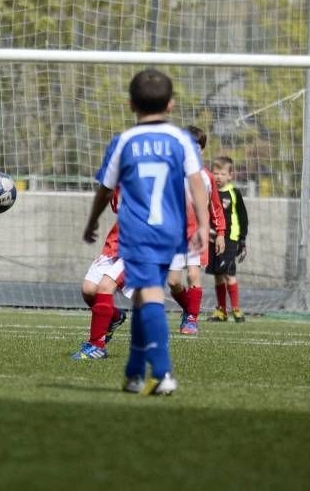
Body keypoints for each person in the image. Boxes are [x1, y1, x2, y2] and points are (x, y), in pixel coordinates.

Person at [83, 68, 209, 396]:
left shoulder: (123, 141)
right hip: (171, 231)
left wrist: (92, 221)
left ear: (130, 104)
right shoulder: (183, 140)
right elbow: (197, 184)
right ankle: (135, 373)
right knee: (142, 298)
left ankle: (162, 373)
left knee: (149, 295)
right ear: (171, 104)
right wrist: (205, 224)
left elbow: (105, 190)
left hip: (137, 231)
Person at [71, 138, 130, 360]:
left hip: (140, 244)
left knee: (105, 287)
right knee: (89, 290)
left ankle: (96, 345)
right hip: (116, 242)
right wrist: (92, 223)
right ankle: (114, 317)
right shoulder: (115, 185)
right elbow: (105, 194)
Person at [167, 125, 226, 336]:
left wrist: (220, 233)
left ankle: (191, 319)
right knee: (173, 282)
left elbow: (215, 207)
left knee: (193, 274)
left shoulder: (206, 177)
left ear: (201, 150)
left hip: (196, 235)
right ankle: (189, 309)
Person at [206, 155, 249, 323]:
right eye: (215, 173)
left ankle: (236, 309)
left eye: (222, 174)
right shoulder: (209, 191)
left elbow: (243, 218)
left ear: (230, 175)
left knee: (229, 274)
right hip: (212, 239)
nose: (218, 177)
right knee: (217, 274)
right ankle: (221, 310)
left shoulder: (234, 193)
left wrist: (242, 240)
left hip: (230, 240)